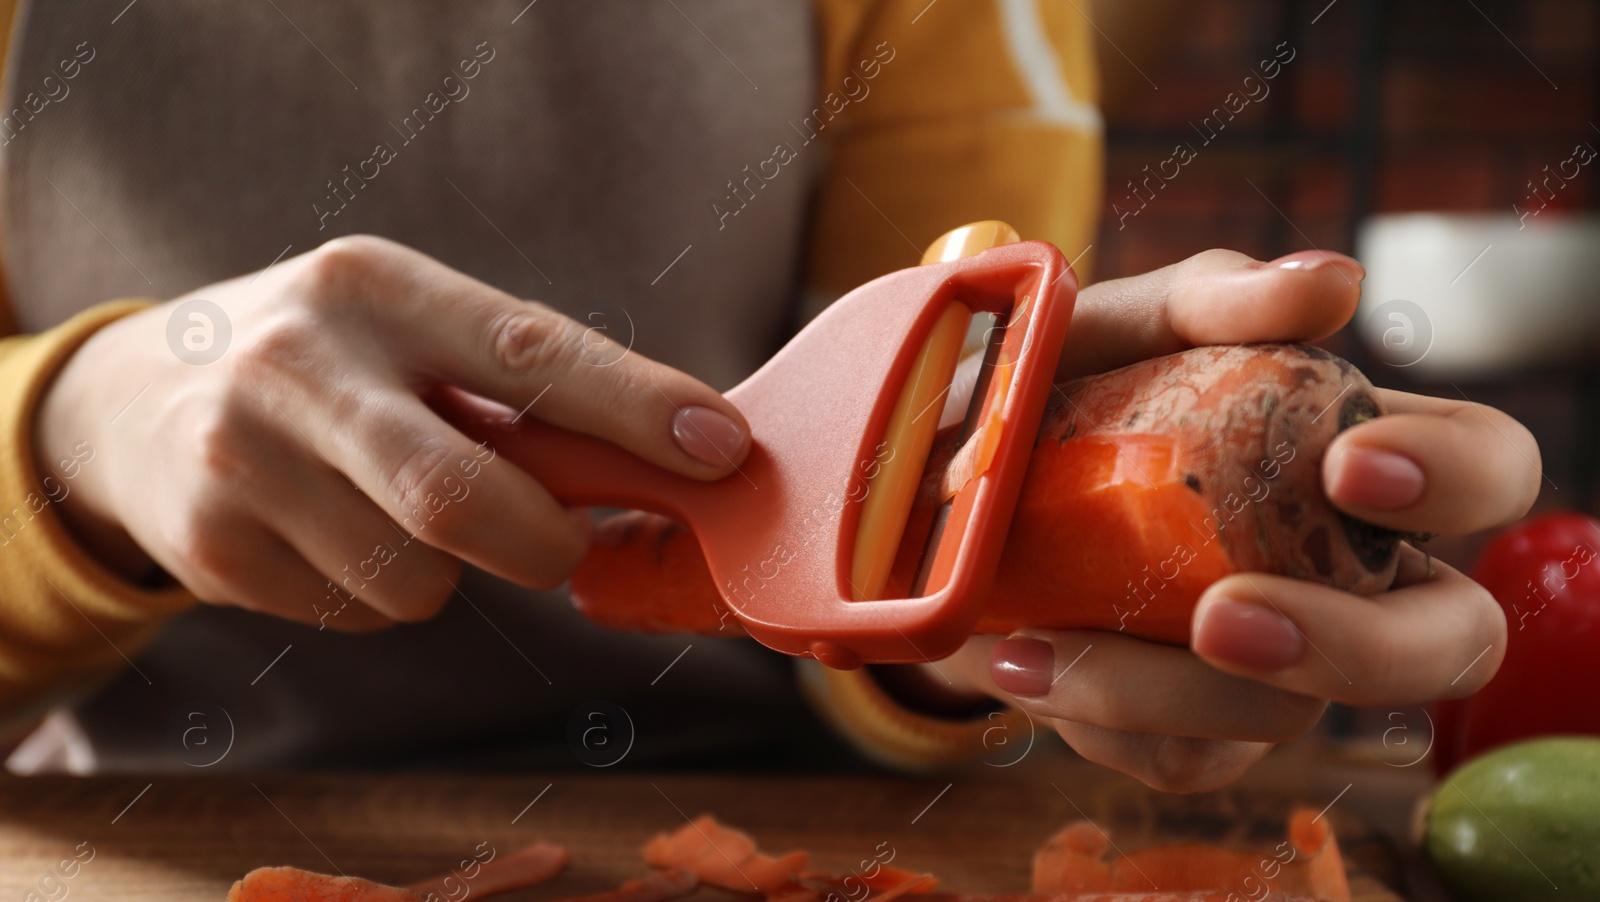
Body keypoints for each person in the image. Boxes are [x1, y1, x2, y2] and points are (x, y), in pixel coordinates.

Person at [0, 1, 1536, 789]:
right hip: (141, 847)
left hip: (789, 846)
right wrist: (75, 431)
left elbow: (934, 461)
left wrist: (1017, 607)